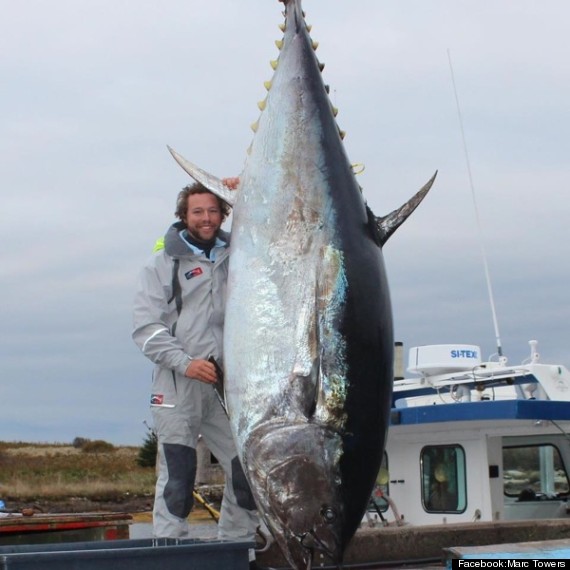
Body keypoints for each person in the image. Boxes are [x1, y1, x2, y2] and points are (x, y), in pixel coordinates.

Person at [132, 180, 259, 546]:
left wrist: (242, 185)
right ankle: (171, 551)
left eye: (213, 211)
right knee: (178, 476)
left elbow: (267, 216)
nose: (206, 218)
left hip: (226, 388)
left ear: (224, 214)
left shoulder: (240, 254)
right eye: (197, 211)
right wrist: (186, 363)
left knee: (247, 470)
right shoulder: (160, 265)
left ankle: (239, 545)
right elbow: (146, 329)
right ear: (184, 215)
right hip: (177, 385)